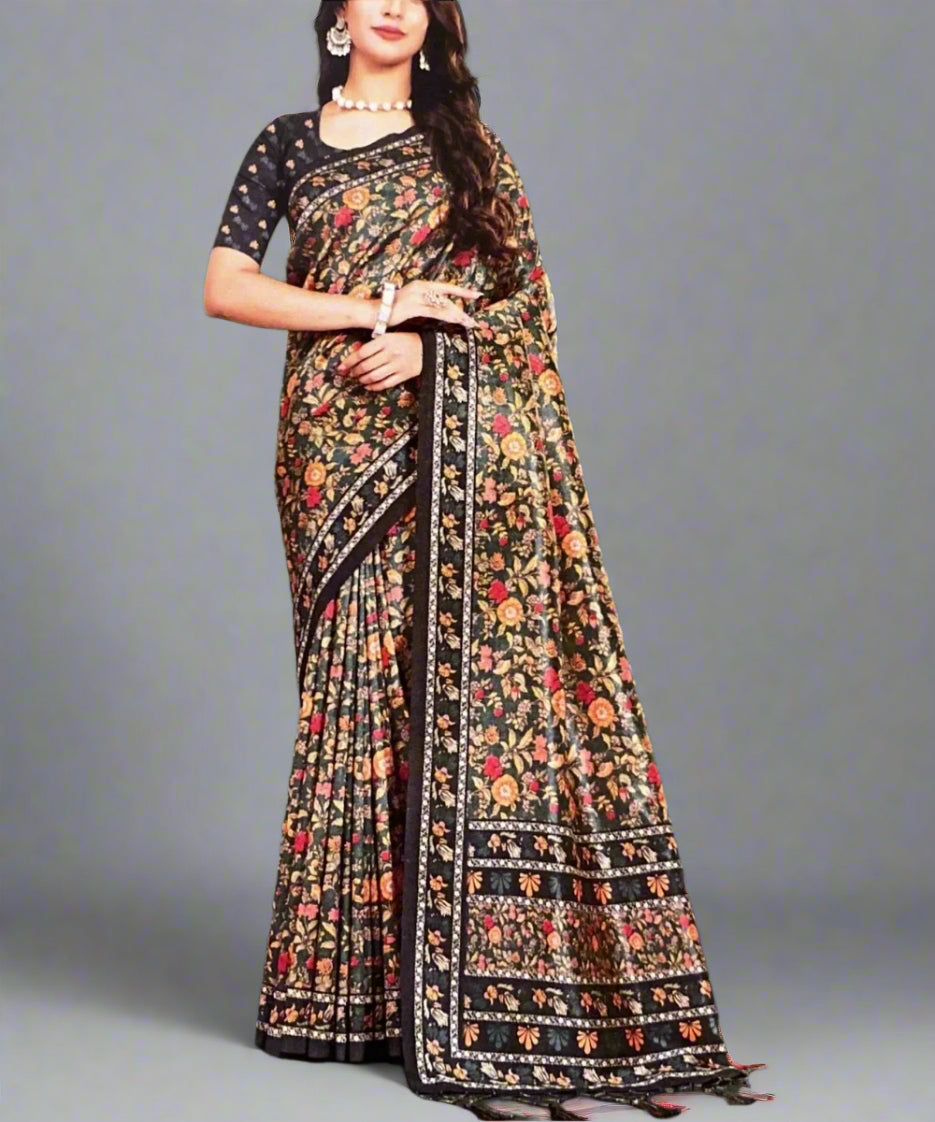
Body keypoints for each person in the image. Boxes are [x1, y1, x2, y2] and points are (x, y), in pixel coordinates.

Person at [203, 2, 773, 1118]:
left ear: (432, 27)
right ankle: (352, 997)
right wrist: (372, 305)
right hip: (334, 446)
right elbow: (227, 286)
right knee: (359, 697)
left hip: (455, 441)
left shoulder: (472, 151)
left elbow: (526, 313)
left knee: (474, 702)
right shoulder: (287, 141)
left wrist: (423, 348)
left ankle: (513, 999)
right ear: (333, 21)